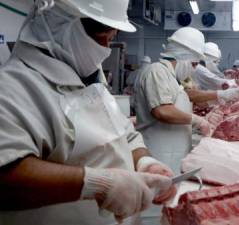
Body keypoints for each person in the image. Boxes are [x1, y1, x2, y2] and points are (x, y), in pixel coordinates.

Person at [0, 1, 176, 225]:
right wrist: (96, 184)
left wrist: (144, 161)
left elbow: (124, 134)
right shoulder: (12, 86)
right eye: (100, 34)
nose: (105, 48)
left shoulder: (90, 78)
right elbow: (6, 176)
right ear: (58, 23)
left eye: (111, 38)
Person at [134, 27, 214, 174]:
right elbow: (162, 111)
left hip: (174, 157)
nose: (194, 70)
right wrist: (197, 120)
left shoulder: (172, 78)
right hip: (158, 156)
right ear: (182, 57)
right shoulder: (156, 71)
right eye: (194, 64)